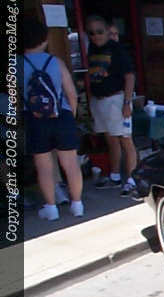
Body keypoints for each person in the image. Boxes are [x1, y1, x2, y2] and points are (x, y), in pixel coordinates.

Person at [22, 17, 84, 220]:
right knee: (71, 163)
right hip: (61, 115)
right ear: (44, 39)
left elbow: (14, 99)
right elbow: (71, 93)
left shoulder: (15, 65)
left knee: (44, 166)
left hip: (35, 119)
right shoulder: (55, 62)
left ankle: (51, 208)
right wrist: (70, 115)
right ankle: (77, 205)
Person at [85, 15, 138, 196]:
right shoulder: (92, 49)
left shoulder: (117, 50)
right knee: (110, 139)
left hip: (116, 99)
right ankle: (115, 176)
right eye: (91, 33)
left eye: (99, 32)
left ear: (108, 31)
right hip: (99, 99)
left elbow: (129, 76)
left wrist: (127, 103)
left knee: (125, 139)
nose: (96, 36)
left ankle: (131, 179)